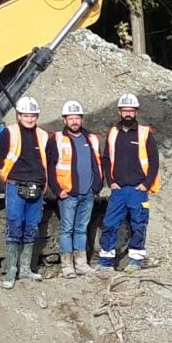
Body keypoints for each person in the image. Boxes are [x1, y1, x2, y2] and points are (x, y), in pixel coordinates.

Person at [0, 95, 51, 288]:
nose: (29, 119)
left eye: (32, 115)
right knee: (15, 226)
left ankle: (25, 269)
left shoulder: (43, 135)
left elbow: (49, 160)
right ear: (18, 115)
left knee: (31, 227)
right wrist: (6, 178)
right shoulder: (9, 133)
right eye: (26, 115)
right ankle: (11, 271)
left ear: (37, 116)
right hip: (16, 186)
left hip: (36, 187)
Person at [99, 92, 160, 272]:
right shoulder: (113, 133)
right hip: (118, 189)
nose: (127, 113)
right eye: (124, 110)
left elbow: (154, 162)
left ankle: (135, 261)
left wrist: (146, 184)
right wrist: (111, 182)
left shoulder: (144, 133)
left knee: (138, 225)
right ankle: (105, 262)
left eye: (131, 110)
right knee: (110, 224)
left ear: (136, 112)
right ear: (119, 112)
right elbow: (106, 159)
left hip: (137, 189)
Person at [46, 99, 108, 275]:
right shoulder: (57, 139)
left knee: (81, 229)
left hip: (87, 193)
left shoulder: (91, 139)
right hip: (68, 194)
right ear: (64, 119)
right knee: (67, 230)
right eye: (70, 118)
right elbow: (50, 167)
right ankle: (67, 266)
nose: (74, 121)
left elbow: (98, 163)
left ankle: (81, 264)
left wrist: (96, 186)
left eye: (77, 118)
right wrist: (58, 190)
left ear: (82, 119)